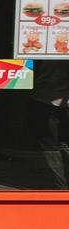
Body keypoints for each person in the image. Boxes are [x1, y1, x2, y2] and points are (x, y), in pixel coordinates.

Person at [31, 61, 69, 189]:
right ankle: (60, 187)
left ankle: (60, 187)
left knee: (51, 145)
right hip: (46, 96)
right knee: (54, 145)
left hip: (44, 96)